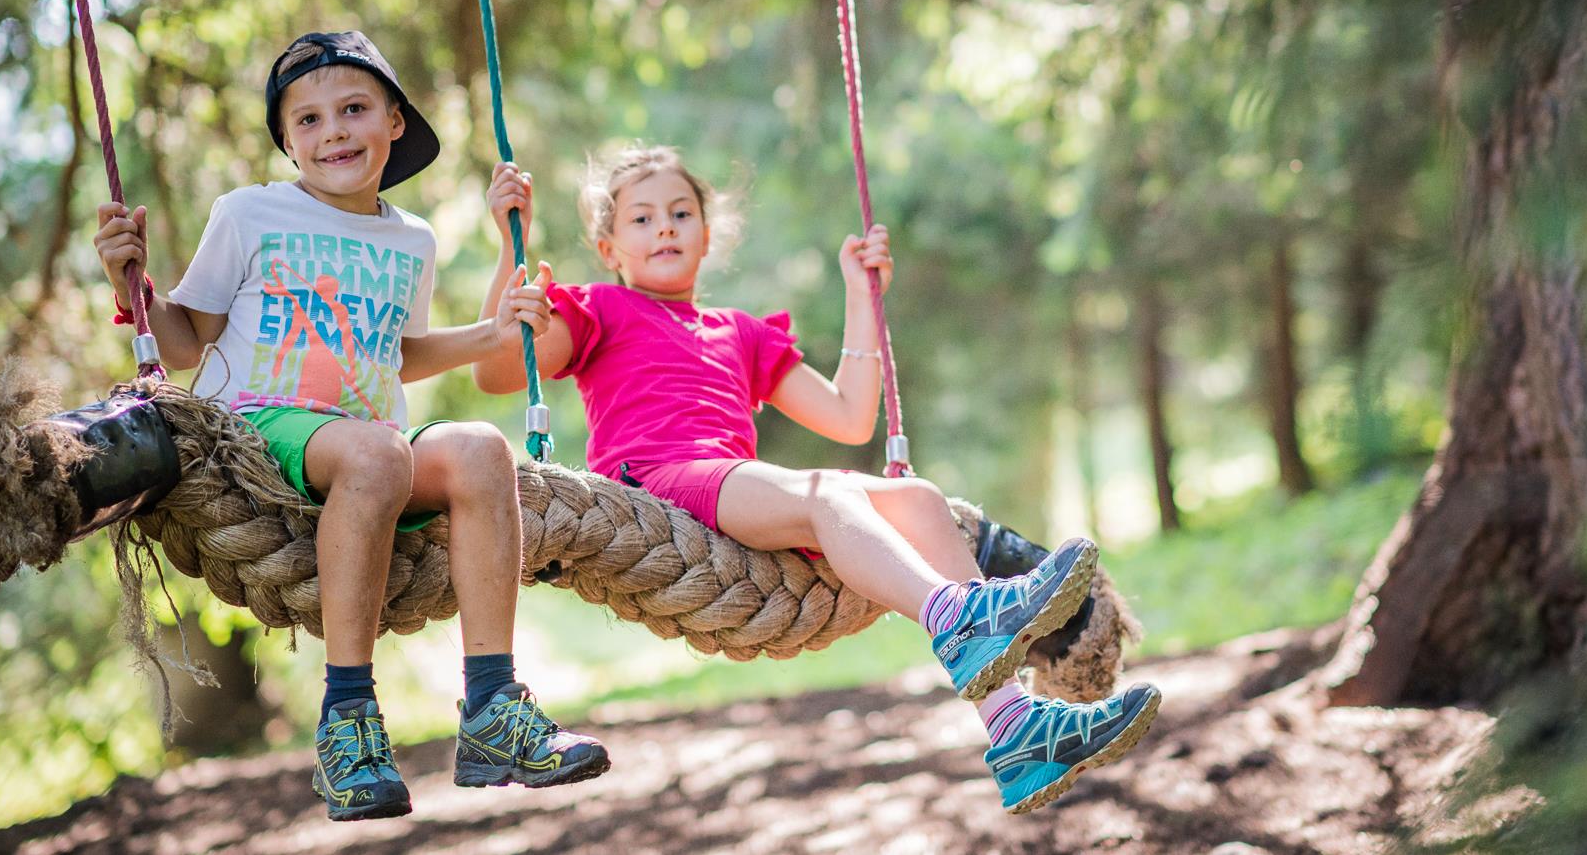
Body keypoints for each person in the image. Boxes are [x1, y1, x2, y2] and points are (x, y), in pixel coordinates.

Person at [473, 146, 1160, 814]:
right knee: (826, 493)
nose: (665, 229)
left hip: (735, 489)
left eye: (681, 214)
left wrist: (862, 295)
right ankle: (958, 615)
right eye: (642, 218)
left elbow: (849, 415)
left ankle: (1014, 730)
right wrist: (512, 248)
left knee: (921, 501)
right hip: (655, 488)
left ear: (708, 235)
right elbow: (496, 370)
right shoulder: (600, 308)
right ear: (609, 246)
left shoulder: (738, 332)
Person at [93, 31, 608, 822]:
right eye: (307, 119)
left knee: (479, 448)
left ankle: (492, 706)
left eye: (354, 108)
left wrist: (496, 322)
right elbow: (186, 338)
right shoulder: (250, 212)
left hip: (367, 446)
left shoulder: (412, 240)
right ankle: (348, 720)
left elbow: (390, 353)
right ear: (287, 140)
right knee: (378, 450)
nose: (331, 130)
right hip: (260, 436)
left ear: (395, 121)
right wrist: (133, 285)